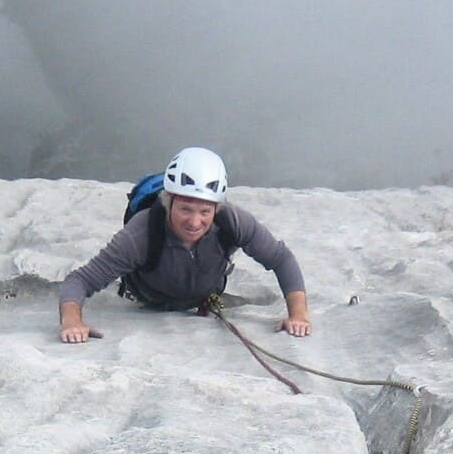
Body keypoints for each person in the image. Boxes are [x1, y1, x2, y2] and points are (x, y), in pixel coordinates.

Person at [58, 147, 312, 344]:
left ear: (216, 208)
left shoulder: (231, 221)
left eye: (204, 211)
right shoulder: (142, 233)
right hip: (151, 301)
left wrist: (298, 315)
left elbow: (280, 258)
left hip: (204, 298)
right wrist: (72, 323)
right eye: (185, 209)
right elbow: (80, 281)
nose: (194, 221)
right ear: (169, 202)